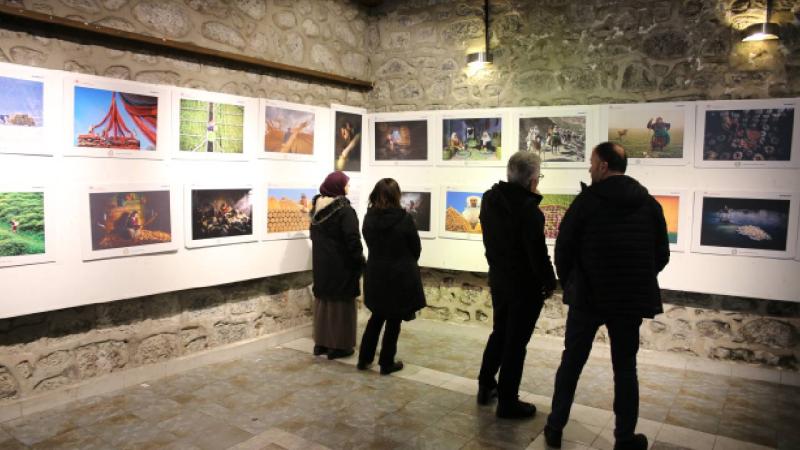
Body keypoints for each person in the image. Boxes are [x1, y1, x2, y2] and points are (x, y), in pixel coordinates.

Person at [544, 142, 670, 450]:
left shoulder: (587, 202)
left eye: (591, 162)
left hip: (588, 297)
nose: (589, 168)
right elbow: (661, 255)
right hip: (628, 300)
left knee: (571, 363)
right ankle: (624, 438)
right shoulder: (648, 204)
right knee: (625, 368)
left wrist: (572, 283)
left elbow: (564, 249)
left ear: (602, 166)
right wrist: (636, 278)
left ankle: (555, 428)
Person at [477, 151, 557, 419]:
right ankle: (508, 401)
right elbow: (536, 254)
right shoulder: (529, 211)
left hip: (499, 278)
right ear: (532, 180)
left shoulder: (490, 200)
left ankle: (486, 384)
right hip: (524, 285)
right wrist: (549, 281)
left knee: (500, 332)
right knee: (516, 343)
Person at [357, 178, 426, 375]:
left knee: (376, 316)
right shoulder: (404, 219)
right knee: (394, 320)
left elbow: (370, 243)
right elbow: (416, 248)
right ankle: (386, 362)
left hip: (377, 273)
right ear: (396, 196)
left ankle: (364, 358)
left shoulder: (369, 218)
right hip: (399, 275)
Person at [309, 171, 365, 360]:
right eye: (346, 184)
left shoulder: (316, 210)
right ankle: (340, 346)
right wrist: (360, 262)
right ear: (337, 187)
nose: (348, 187)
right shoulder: (344, 211)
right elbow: (352, 240)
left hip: (322, 265)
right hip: (342, 266)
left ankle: (321, 344)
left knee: (323, 304)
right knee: (341, 307)